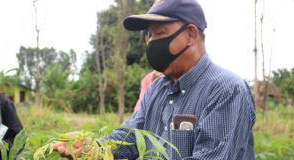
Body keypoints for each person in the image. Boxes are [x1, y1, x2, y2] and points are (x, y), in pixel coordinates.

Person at [54, 0, 256, 159]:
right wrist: (96, 149)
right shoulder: (158, 89)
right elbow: (131, 136)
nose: (151, 43)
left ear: (190, 35)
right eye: (149, 35)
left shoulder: (226, 90)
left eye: (160, 33)